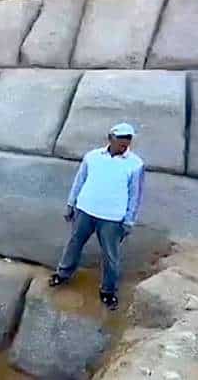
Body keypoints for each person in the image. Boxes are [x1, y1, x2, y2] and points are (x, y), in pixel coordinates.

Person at [49, 122, 145, 311]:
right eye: (121, 140)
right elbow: (80, 180)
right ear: (110, 138)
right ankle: (62, 274)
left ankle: (108, 291)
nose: (124, 144)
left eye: (128, 140)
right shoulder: (92, 157)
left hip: (112, 218)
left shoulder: (135, 164)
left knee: (111, 256)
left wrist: (129, 220)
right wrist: (71, 203)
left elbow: (135, 195)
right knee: (74, 243)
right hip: (85, 210)